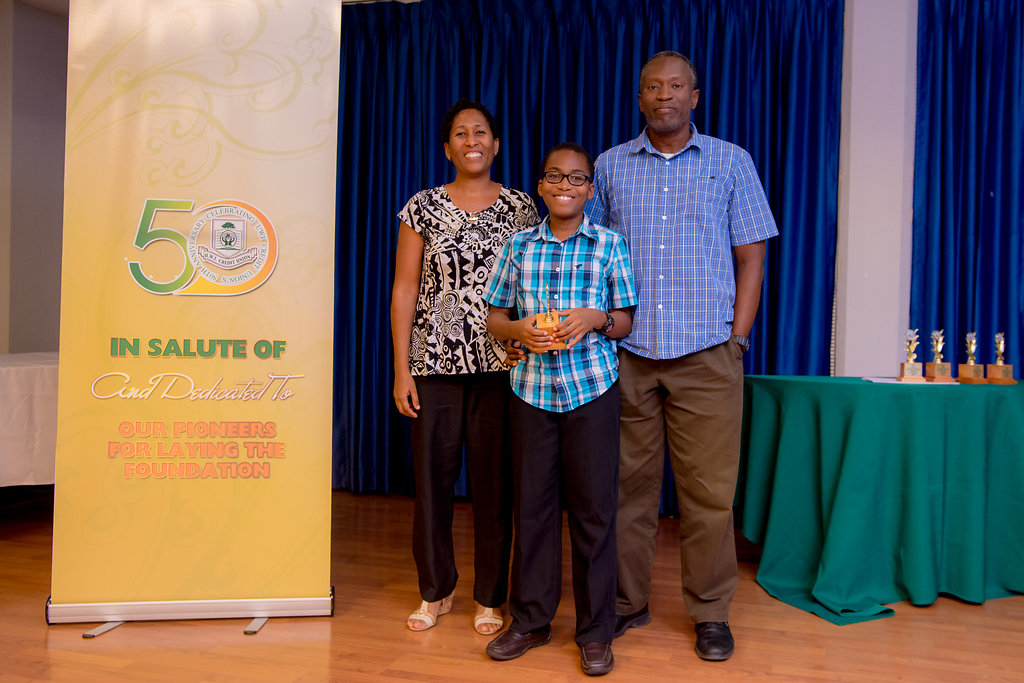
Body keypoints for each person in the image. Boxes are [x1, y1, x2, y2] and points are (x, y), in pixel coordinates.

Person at [587, 51, 779, 661]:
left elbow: (752, 255)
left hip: (708, 352)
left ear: (694, 97)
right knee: (626, 490)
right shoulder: (610, 166)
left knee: (709, 494)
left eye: (676, 86)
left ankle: (711, 611)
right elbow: (587, 253)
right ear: (639, 97)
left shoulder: (731, 161)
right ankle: (627, 602)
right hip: (629, 353)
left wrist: (737, 337)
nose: (664, 95)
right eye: (653, 86)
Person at [483, 142, 637, 676]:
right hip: (530, 391)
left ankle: (595, 632)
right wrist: (517, 329)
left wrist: (595, 318)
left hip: (592, 389)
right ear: (541, 187)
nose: (564, 186)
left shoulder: (609, 244)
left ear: (590, 189)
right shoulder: (519, 245)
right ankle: (530, 621)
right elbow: (495, 318)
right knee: (533, 508)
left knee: (594, 511)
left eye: (575, 178)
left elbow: (625, 321)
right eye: (554, 176)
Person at [390, 99, 539, 635]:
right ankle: (435, 591)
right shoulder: (422, 207)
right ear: (447, 147)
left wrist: (527, 339)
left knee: (494, 486)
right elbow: (405, 287)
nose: (471, 140)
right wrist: (402, 368)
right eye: (460, 133)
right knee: (432, 482)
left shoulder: (522, 208)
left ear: (495, 145)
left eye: (480, 132)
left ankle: (489, 597)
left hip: (502, 365)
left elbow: (533, 283)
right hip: (433, 363)